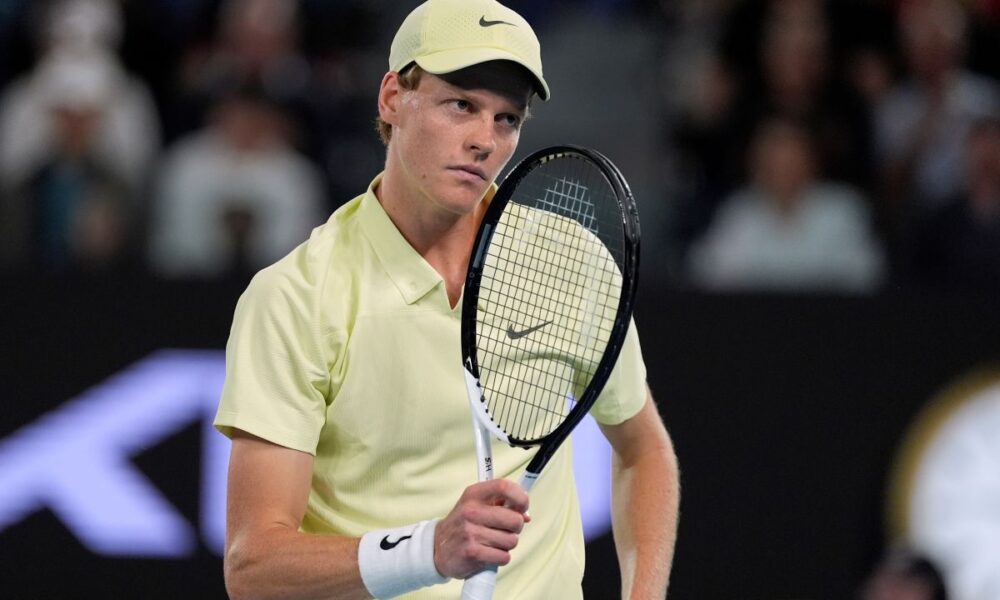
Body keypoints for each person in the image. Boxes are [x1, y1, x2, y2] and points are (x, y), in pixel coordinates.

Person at [213, 1, 679, 599]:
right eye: (461, 105)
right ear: (391, 98)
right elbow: (253, 569)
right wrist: (427, 551)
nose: (485, 140)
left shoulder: (572, 260)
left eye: (507, 118)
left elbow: (643, 450)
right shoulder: (294, 298)